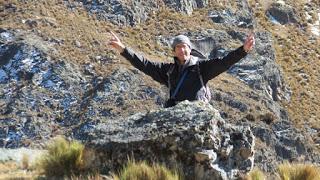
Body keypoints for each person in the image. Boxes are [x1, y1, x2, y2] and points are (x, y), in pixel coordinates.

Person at [109, 31, 255, 107]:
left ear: (190, 49)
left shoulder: (201, 68)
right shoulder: (168, 70)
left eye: (184, 47)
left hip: (199, 113)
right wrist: (123, 49)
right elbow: (144, 64)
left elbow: (224, 62)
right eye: (178, 47)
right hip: (176, 115)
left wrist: (243, 50)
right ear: (174, 51)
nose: (181, 50)